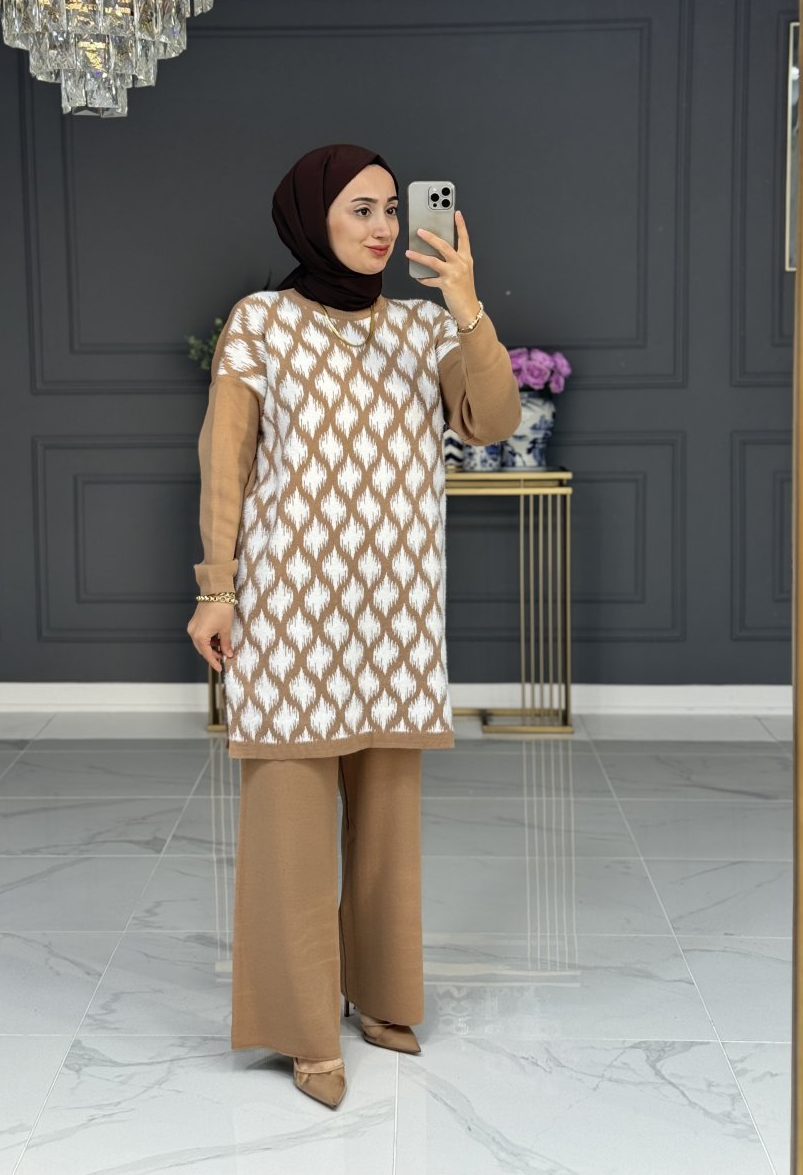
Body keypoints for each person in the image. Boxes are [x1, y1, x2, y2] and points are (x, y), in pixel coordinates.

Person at [186, 144, 521, 1108]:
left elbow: (493, 420)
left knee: (386, 827)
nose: (381, 228)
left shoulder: (425, 328)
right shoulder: (260, 322)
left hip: (395, 612)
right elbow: (225, 462)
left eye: (389, 209)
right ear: (311, 218)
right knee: (290, 827)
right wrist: (217, 586)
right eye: (359, 210)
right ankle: (302, 1029)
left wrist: (467, 303)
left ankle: (380, 996)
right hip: (291, 609)